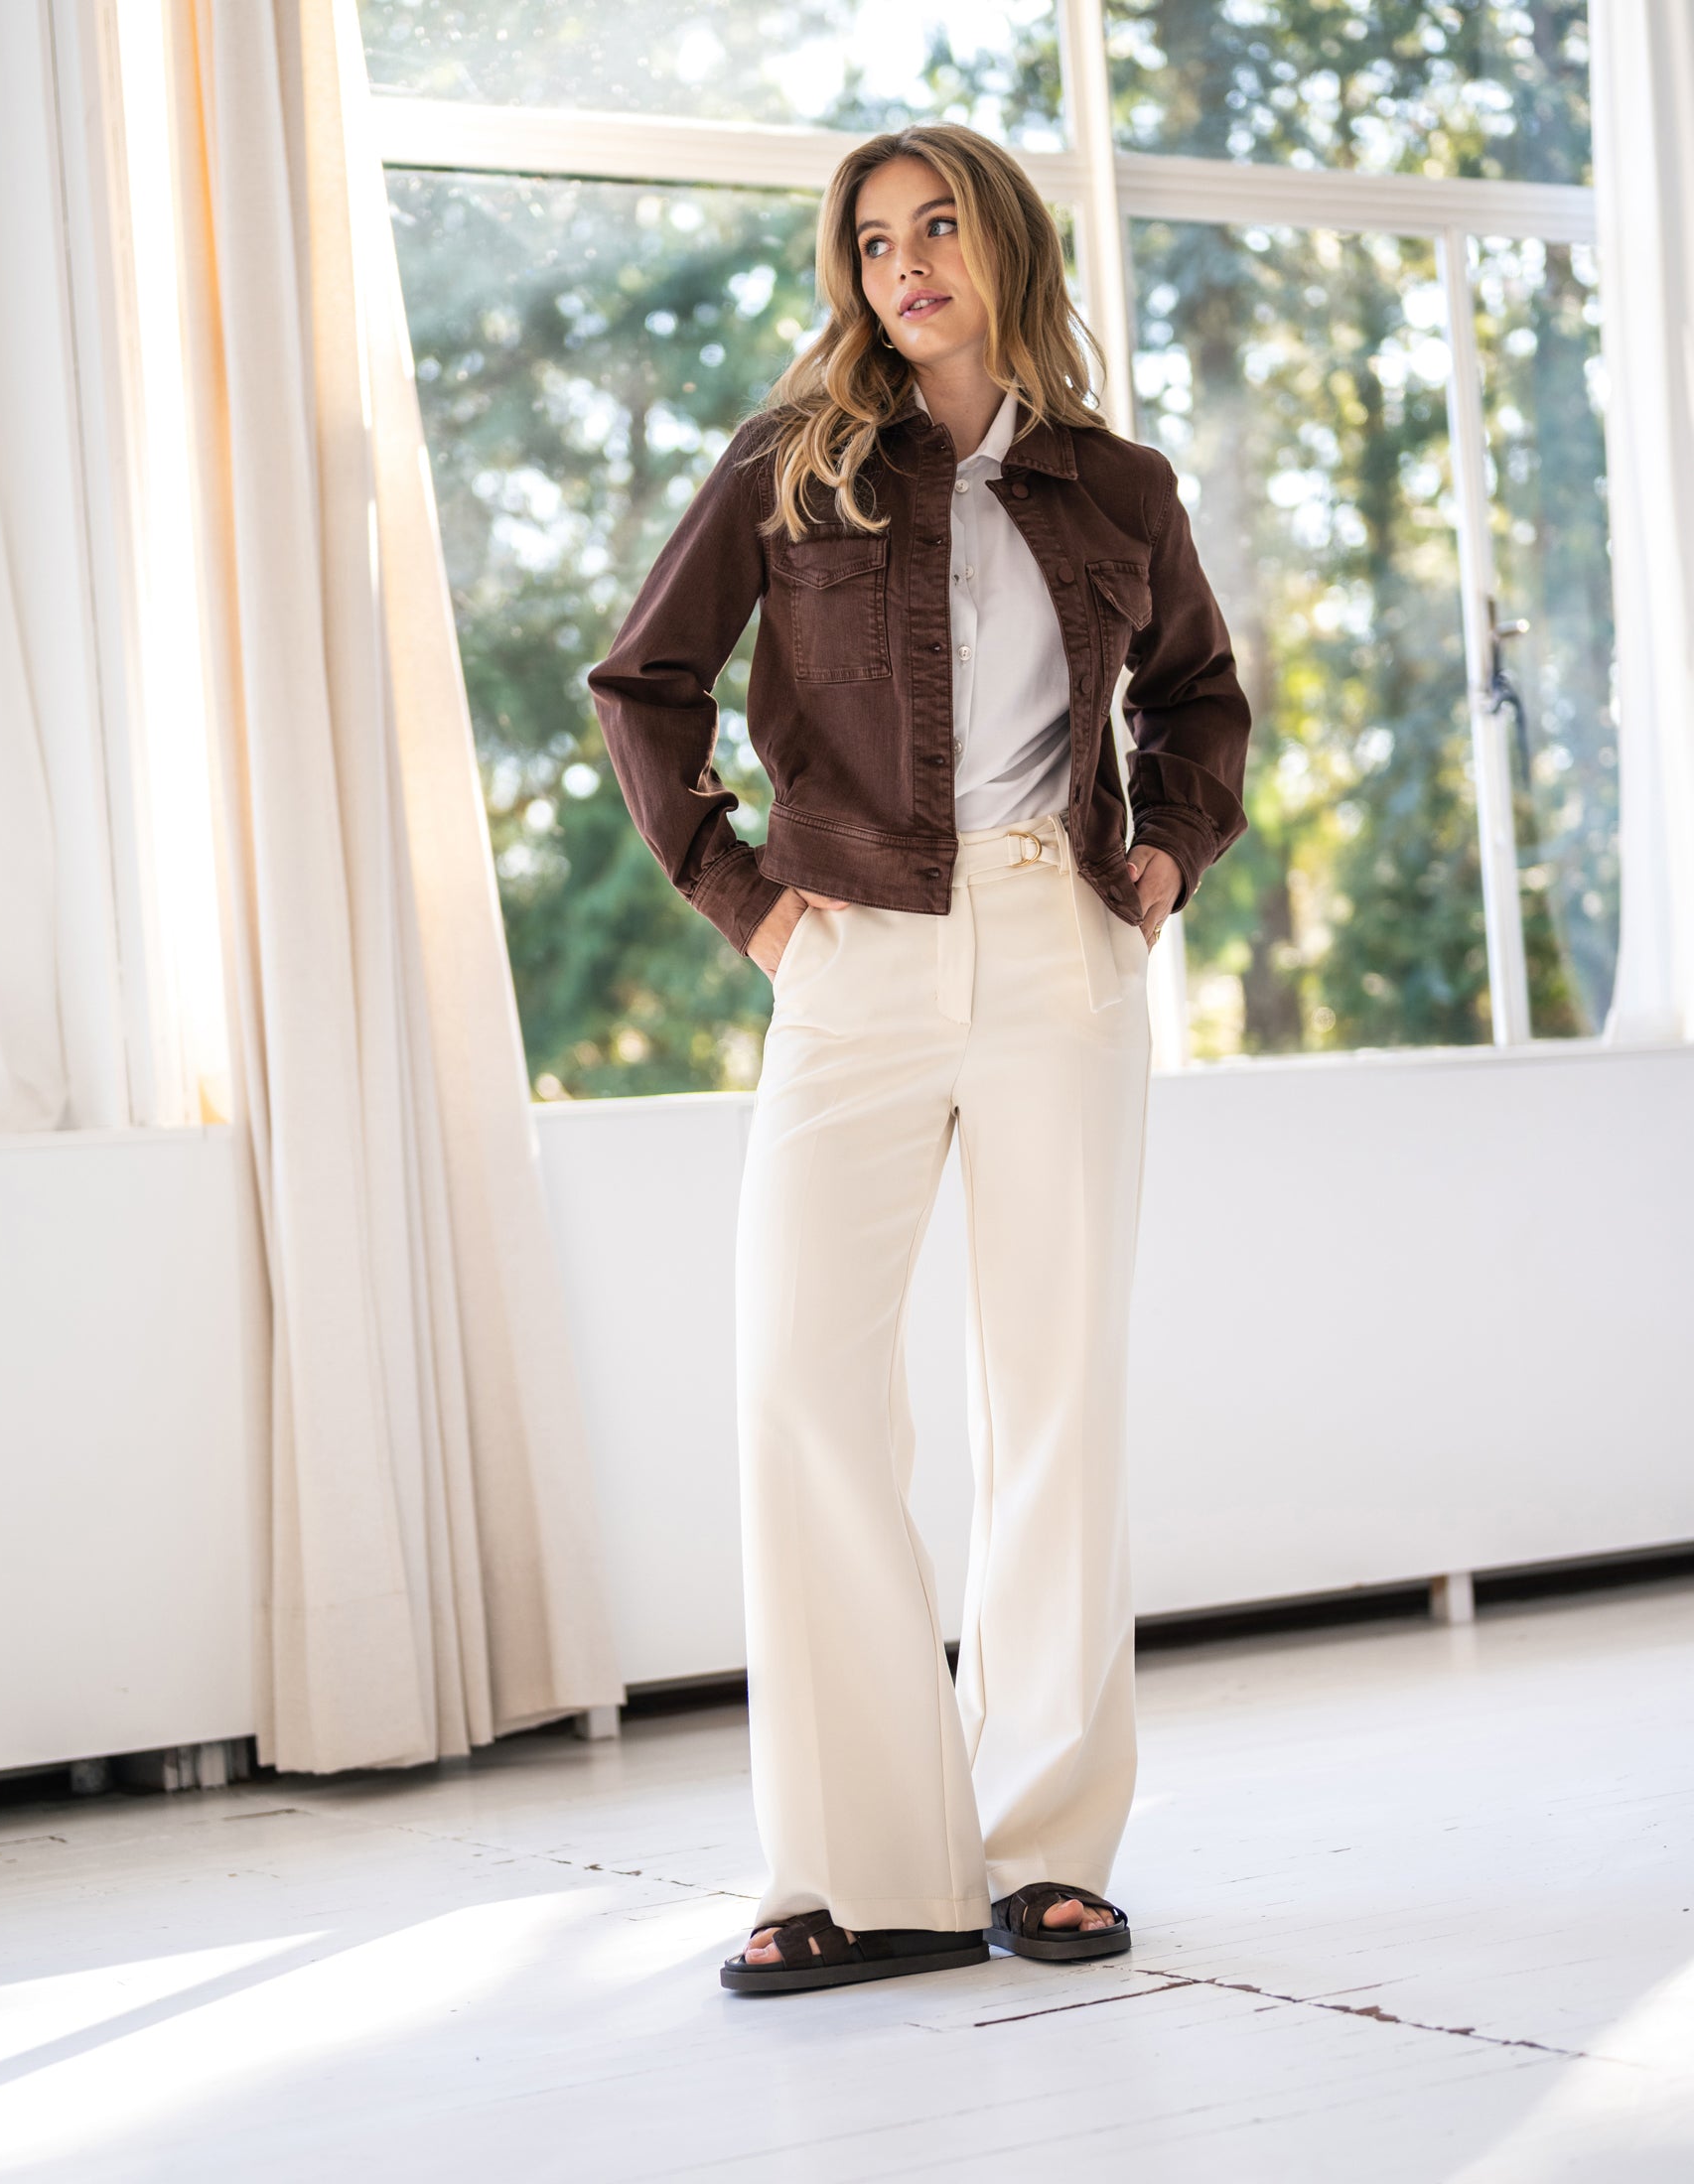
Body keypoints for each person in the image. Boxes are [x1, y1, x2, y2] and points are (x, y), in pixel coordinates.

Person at [589, 121, 1250, 1995]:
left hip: (1059, 947)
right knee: (803, 1384)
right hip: (851, 952)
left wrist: (1169, 847)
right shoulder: (789, 466)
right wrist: (752, 903)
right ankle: (863, 1867)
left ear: (1006, 245)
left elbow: (1203, 692)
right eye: (873, 240)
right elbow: (645, 684)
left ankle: (1047, 1851)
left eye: (937, 224)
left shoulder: (1118, 485)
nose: (903, 264)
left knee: (1052, 1399)